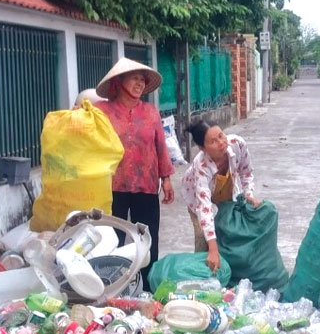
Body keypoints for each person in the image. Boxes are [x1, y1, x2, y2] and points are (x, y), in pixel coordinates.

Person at [95, 57, 175, 286]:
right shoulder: (102, 111)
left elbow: (160, 146)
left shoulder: (150, 112)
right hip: (113, 186)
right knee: (112, 239)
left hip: (146, 186)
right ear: (119, 81)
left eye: (142, 80)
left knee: (147, 239)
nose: (140, 84)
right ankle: (110, 285)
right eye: (134, 79)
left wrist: (166, 179)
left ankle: (147, 286)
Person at [181, 120, 261, 272]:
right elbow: (204, 208)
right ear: (203, 148)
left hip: (226, 189)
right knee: (203, 238)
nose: (221, 142)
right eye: (213, 141)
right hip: (197, 197)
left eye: (221, 135)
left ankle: (232, 268)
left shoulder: (237, 144)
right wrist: (212, 249)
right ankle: (202, 273)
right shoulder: (201, 166)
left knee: (230, 228)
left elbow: (246, 172)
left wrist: (249, 194)